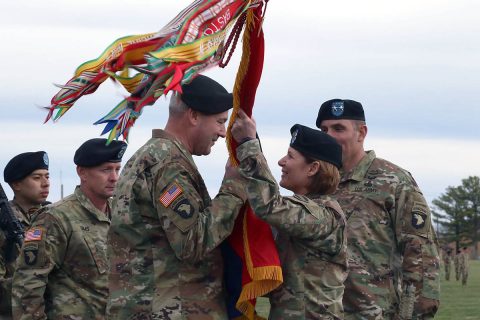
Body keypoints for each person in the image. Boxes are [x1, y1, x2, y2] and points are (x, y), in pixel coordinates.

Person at [106, 75, 247, 319]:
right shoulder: (168, 164)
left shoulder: (153, 156)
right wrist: (233, 188)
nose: (223, 133)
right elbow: (193, 242)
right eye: (220, 122)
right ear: (193, 116)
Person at [317, 99, 440, 319]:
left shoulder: (393, 180)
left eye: (338, 129)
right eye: (324, 129)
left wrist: (417, 313)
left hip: (374, 312)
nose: (329, 136)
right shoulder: (318, 182)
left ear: (361, 132)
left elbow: (420, 253)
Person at [230, 117, 348, 319]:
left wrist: (248, 144)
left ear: (312, 168)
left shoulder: (325, 216)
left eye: (290, 156)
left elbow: (268, 204)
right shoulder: (298, 211)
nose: (281, 162)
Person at [11, 138, 127, 320]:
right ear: (82, 172)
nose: (114, 177)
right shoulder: (55, 218)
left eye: (117, 169)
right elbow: (28, 284)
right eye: (105, 170)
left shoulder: (122, 214)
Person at [1, 151, 50, 319]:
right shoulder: (4, 224)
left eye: (47, 176)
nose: (46, 184)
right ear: (16, 184)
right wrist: (36, 286)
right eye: (37, 178)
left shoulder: (55, 217)